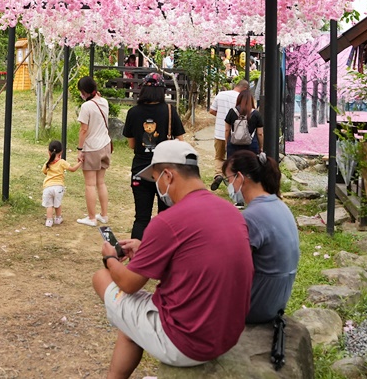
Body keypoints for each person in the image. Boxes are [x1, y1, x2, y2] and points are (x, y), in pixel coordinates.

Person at [92, 140, 253, 378]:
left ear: (168, 175)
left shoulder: (167, 221)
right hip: (226, 335)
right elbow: (194, 257)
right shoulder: (230, 211)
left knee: (102, 278)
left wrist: (109, 259)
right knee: (131, 324)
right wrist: (146, 248)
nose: (157, 186)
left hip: (186, 343)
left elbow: (128, 283)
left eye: (156, 178)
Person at [223, 150, 300, 323]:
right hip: (277, 300)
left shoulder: (251, 217)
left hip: (256, 306)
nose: (229, 186)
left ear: (240, 177)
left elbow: (234, 269)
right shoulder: (279, 205)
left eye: (228, 180)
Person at [121, 72, 185, 239]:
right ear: (162, 91)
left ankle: (137, 259)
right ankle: (163, 256)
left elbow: (132, 144)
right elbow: (180, 141)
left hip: (140, 170)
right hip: (165, 172)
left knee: (141, 219)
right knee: (166, 218)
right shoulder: (170, 111)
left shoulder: (133, 112)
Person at [76, 75, 113, 226]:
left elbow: (83, 130)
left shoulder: (86, 107)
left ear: (84, 91)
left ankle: (91, 218)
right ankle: (103, 215)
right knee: (101, 183)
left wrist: (79, 149)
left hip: (92, 148)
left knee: (90, 184)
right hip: (105, 145)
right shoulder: (104, 102)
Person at [208, 79, 249, 189]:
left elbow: (211, 111)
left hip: (219, 132)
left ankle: (218, 175)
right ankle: (231, 179)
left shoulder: (221, 94)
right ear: (244, 88)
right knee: (233, 158)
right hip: (235, 135)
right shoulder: (240, 98)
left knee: (219, 157)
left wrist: (221, 115)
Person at [41, 140, 81, 227]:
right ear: (61, 152)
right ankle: (58, 218)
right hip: (58, 187)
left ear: (48, 152)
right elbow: (72, 169)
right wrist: (80, 162)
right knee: (57, 204)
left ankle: (49, 221)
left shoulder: (47, 163)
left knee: (49, 205)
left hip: (47, 187)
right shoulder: (62, 162)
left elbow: (44, 172)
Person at [225, 89, 263, 157]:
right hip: (251, 145)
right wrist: (261, 146)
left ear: (239, 99)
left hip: (233, 145)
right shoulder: (256, 114)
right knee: (250, 166)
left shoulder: (232, 111)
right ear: (251, 100)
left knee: (233, 166)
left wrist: (226, 143)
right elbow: (260, 133)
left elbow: (227, 130)